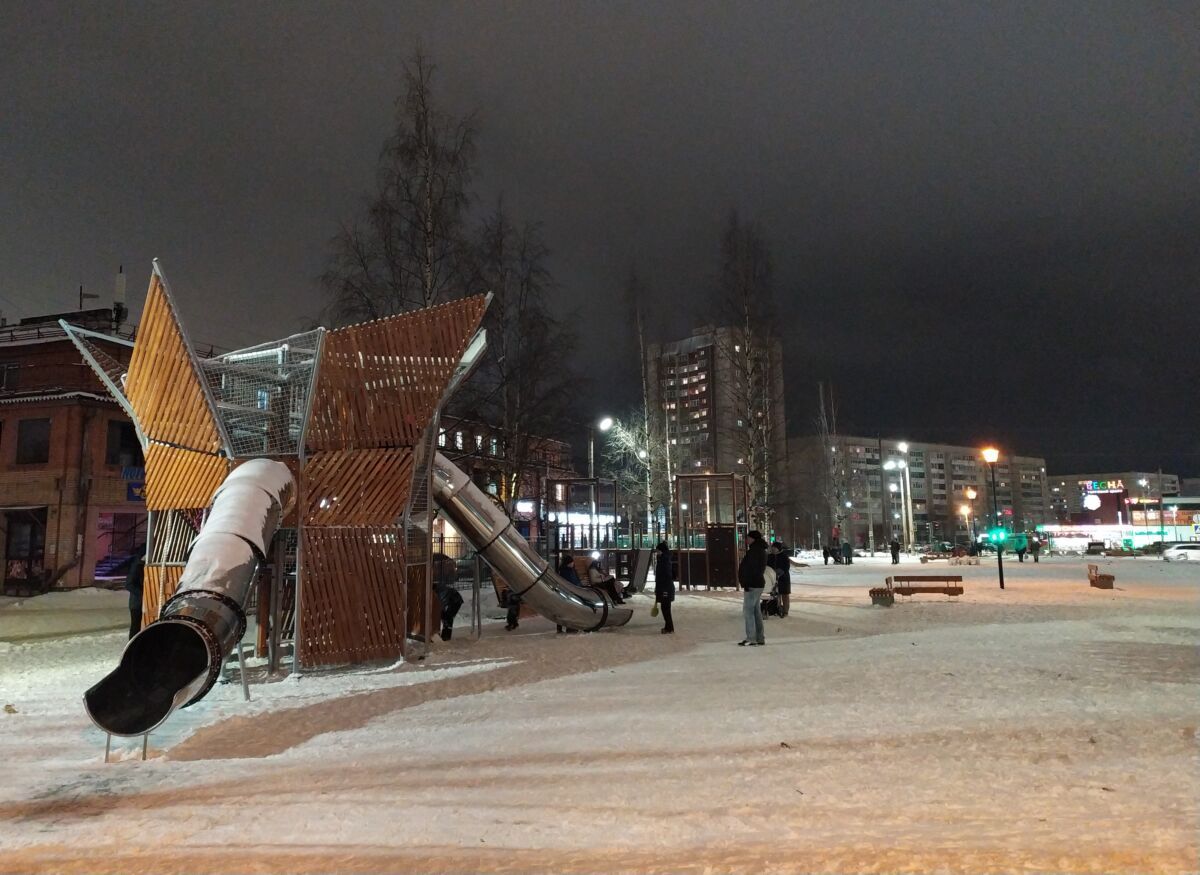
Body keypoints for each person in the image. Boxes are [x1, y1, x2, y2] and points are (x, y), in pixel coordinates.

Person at [737, 530, 767, 646]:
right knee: (756, 611)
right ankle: (759, 637)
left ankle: (751, 638)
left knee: (748, 611)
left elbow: (751, 569)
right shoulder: (760, 550)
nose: (746, 540)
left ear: (753, 539)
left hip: (752, 584)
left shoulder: (754, 551)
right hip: (757, 583)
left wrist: (746, 582)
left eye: (748, 538)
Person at [432, 553, 463, 641]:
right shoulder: (438, 577)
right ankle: (444, 634)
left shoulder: (441, 584)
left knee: (447, 617)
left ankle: (445, 635)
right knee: (446, 616)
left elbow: (452, 579)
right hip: (447, 597)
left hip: (451, 598)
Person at [556, 554, 583, 634]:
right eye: (571, 562)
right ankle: (570, 627)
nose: (573, 563)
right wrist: (578, 586)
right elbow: (571, 581)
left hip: (570, 592)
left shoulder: (568, 570)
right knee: (570, 610)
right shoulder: (566, 571)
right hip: (569, 593)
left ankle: (565, 627)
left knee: (566, 610)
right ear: (568, 563)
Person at [654, 541, 675, 633]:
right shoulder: (664, 559)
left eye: (658, 551)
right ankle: (668, 627)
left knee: (665, 608)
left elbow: (665, 575)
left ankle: (669, 628)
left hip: (665, 588)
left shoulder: (664, 560)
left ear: (661, 550)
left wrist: (661, 588)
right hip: (665, 587)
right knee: (666, 608)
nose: (657, 552)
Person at [124, 553, 145, 640]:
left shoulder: (145, 566)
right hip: (137, 604)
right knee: (135, 627)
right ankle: (132, 644)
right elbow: (129, 584)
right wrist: (143, 595)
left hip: (145, 603)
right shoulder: (136, 566)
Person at [769, 541, 791, 618]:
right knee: (775, 595)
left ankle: (785, 611)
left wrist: (779, 572)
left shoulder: (784, 556)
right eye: (772, 548)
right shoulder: (770, 556)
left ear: (778, 548)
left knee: (785, 595)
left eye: (774, 548)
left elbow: (786, 567)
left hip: (783, 578)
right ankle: (776, 609)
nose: (773, 549)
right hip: (773, 578)